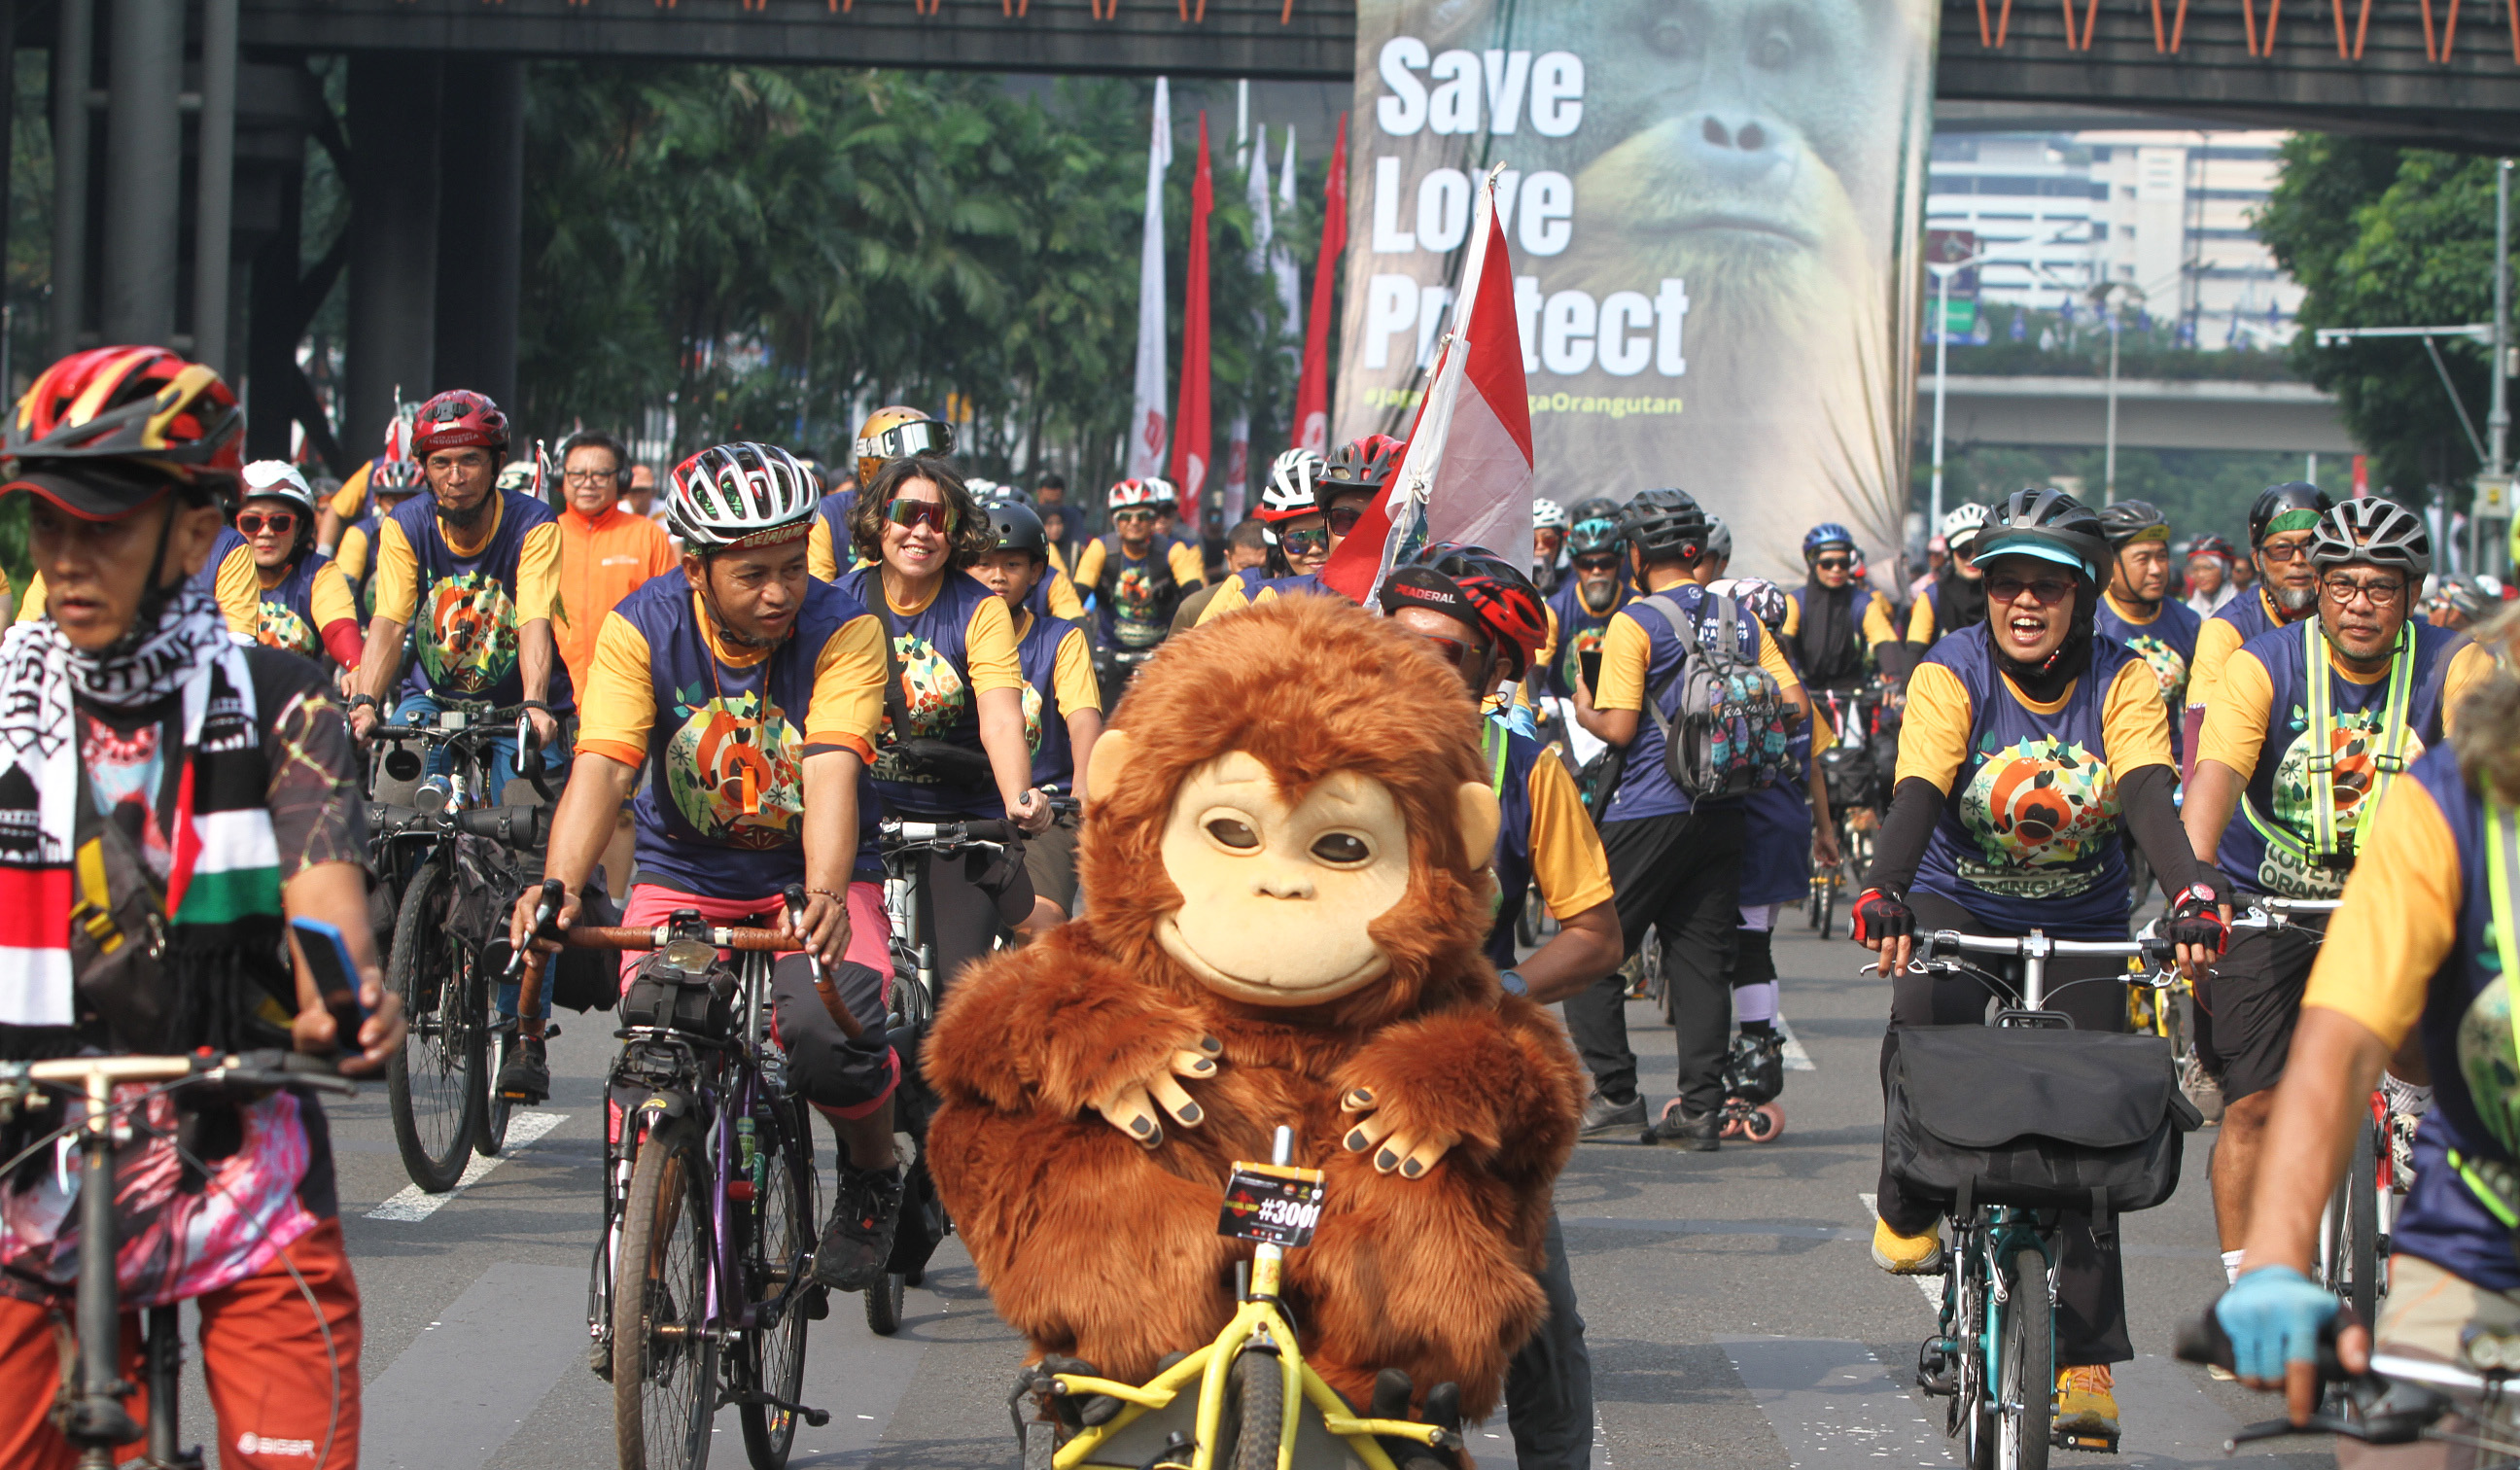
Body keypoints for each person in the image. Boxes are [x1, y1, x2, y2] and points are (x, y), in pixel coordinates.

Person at [0, 345, 403, 1470]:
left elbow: (324, 903)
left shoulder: (284, 702)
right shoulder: (2, 701)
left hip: (242, 1166)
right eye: (47, 526)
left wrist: (347, 1001)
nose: (68, 561)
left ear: (194, 530)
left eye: (105, 526)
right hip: (22, 1172)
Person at [1851, 487, 2227, 1444]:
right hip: (1956, 899)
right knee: (1923, 1010)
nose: (2024, 602)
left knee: (2089, 1136)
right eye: (2006, 584)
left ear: (2083, 596)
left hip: (2085, 916)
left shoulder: (2126, 678)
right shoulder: (1954, 669)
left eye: (2047, 588)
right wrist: (1885, 888)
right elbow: (1923, 789)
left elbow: (2146, 789)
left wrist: (2187, 893)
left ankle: (2085, 1358)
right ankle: (1909, 1195)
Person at [511, 440, 908, 1288]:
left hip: (814, 880)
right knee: (657, 1032)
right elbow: (606, 767)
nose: (780, 593)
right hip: (685, 876)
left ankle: (874, 1174)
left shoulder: (847, 629)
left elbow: (833, 767)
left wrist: (829, 895)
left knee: (824, 1037)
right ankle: (640, 1269)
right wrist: (560, 886)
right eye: (752, 574)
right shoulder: (639, 627)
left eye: (792, 567)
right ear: (696, 570)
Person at [2209, 602, 2520, 1441]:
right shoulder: (2447, 799)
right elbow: (2340, 1046)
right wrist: (2276, 1258)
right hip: (2489, 1220)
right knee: (2396, 1449)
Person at [2181, 498, 2491, 1285]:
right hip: (2269, 898)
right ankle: (2248, 1284)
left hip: (2396, 898)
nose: (2361, 604)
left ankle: (2412, 1117)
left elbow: (2488, 780)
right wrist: (2192, 883)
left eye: (2382, 587)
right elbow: (2212, 778)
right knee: (2254, 1106)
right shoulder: (2262, 664)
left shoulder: (2458, 663)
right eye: (2343, 584)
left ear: (2413, 596)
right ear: (2314, 587)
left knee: (2438, 1010)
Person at [1376, 543, 1618, 1470]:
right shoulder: (1309, 736)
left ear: (1498, 670)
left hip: (1462, 1078)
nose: (1414, 666)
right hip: (1313, 1062)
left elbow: (1595, 933)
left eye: (1447, 653)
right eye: (1399, 642)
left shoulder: (1525, 763)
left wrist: (1504, 989)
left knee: (1531, 1309)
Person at [1565, 489, 1809, 1146]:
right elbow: (1795, 706)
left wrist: (1583, 704)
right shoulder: (1744, 620)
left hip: (1646, 805)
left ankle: (1616, 1091)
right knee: (1701, 961)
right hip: (1726, 805)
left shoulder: (1633, 621)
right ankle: (1701, 1107)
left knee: (1589, 950)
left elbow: (1617, 729)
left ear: (1636, 556)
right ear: (1698, 551)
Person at [839, 457, 1054, 998]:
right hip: (856, 820)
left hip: (961, 827)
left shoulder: (980, 610)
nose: (922, 531)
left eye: (939, 519)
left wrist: (1020, 798)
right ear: (877, 521)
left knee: (958, 997)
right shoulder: (835, 601)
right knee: (843, 991)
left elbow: (1002, 718)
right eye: (908, 514)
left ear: (956, 532)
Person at [344, 389, 570, 798]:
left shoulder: (534, 522)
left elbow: (534, 616)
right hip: (431, 700)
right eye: (441, 463)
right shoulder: (404, 524)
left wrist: (535, 705)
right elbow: (391, 621)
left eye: (470, 460)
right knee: (392, 815)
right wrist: (366, 701)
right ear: (424, 471)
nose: (455, 476)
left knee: (526, 830)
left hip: (516, 706)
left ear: (497, 463)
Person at [1708, 576, 1838, 1136]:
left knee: (1727, 951)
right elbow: (1815, 766)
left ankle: (1742, 1066)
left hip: (1745, 825)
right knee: (1753, 944)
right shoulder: (1793, 687)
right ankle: (1756, 1059)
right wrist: (1825, 831)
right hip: (1786, 824)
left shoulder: (1726, 683)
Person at [968, 500, 1102, 931]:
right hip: (962, 807)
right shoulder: (949, 630)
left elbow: (1083, 716)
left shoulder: (1061, 638)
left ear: (1036, 573)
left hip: (1045, 810)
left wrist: (1084, 783)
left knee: (1042, 934)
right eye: (983, 562)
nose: (997, 576)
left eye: (1012, 564)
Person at [2183, 485, 2330, 780]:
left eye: (2311, 546)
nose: (2298, 560)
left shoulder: (2353, 615)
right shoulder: (2226, 630)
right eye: (2282, 550)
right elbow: (2202, 742)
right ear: (2257, 560)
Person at [1193, 435, 1400, 624]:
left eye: (1381, 519)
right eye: (1345, 519)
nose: (1361, 534)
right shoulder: (1266, 600)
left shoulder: (1428, 602)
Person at [550, 430, 678, 699]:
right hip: (555, 694)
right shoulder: (544, 534)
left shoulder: (648, 535)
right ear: (562, 479)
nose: (588, 483)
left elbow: (671, 616)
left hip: (627, 691)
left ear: (620, 480)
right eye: (577, 474)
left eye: (600, 475)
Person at [2093, 499, 2203, 770]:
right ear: (2110, 564)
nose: (2156, 569)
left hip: (2171, 763)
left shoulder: (2188, 622)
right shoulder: (2087, 619)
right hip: (2104, 761)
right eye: (2143, 559)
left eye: (2162, 557)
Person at [1074, 478, 1200, 707]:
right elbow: (1073, 602)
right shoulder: (1101, 548)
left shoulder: (1174, 550)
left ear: (1153, 520)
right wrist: (1088, 651)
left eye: (1142, 516)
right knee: (1102, 719)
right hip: (1110, 653)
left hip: (1159, 654)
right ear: (1114, 521)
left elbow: (1197, 600)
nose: (1134, 522)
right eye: (1125, 517)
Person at [236, 460, 362, 673]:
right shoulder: (213, 569)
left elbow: (340, 630)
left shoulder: (319, 571)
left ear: (300, 527)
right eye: (251, 522)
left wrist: (358, 669)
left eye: (279, 522)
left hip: (299, 700)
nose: (265, 532)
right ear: (234, 524)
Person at [809, 404, 952, 582]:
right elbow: (818, 594)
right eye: (908, 467)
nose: (923, 473)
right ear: (871, 465)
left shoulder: (950, 509)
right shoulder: (828, 515)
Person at [1534, 497, 1631, 703]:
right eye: (1587, 564)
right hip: (1567, 714)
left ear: (1621, 562)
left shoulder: (1636, 606)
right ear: (1575, 566)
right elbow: (1535, 671)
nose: (1597, 571)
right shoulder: (1554, 609)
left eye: (1606, 563)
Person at [1784, 522, 1903, 689]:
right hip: (1804, 689)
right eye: (1827, 564)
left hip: (1852, 690)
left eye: (1843, 563)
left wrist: (1895, 677)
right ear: (1812, 563)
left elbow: (1885, 640)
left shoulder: (1863, 601)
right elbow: (1781, 644)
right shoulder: (1795, 601)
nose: (1836, 569)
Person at [333, 456, 425, 616]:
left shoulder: (435, 530)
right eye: (392, 500)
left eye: (410, 500)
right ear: (377, 499)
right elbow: (342, 592)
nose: (401, 510)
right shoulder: (360, 533)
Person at [1903, 503, 1989, 655]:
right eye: (1964, 550)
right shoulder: (1933, 596)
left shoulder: (2004, 594)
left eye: (1980, 550)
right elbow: (1915, 649)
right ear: (1950, 553)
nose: (1972, 558)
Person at [1170, 518, 1269, 636]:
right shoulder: (1195, 608)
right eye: (1246, 568)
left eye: (1264, 569)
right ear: (1228, 559)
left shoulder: (1288, 599)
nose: (1254, 576)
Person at [2186, 533, 2240, 617]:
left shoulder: (2240, 607)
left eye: (2208, 568)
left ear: (2225, 570)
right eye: (2195, 569)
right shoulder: (2188, 612)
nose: (2200, 575)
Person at [1531, 498, 1569, 594]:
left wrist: (1552, 593)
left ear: (1562, 541)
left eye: (1548, 540)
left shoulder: (1577, 575)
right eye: (1533, 542)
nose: (1540, 547)